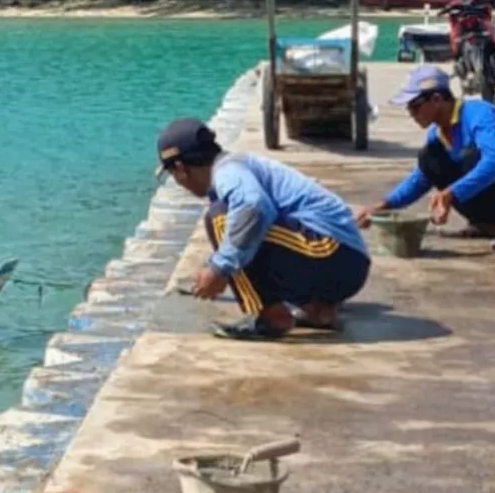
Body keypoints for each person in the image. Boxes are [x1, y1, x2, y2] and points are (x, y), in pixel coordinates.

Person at [156, 117, 372, 341]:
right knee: (238, 234)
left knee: (221, 218)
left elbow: (255, 208)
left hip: (333, 254)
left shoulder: (228, 171)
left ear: (181, 169)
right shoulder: (240, 166)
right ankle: (318, 311)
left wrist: (219, 267)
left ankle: (272, 316)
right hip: (348, 264)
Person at [355, 64, 495, 254]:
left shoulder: (477, 113)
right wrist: (383, 206)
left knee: (472, 158)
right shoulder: (437, 133)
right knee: (430, 158)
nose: (412, 114)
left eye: (415, 107)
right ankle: (486, 223)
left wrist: (450, 194)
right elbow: (421, 178)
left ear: (436, 100)